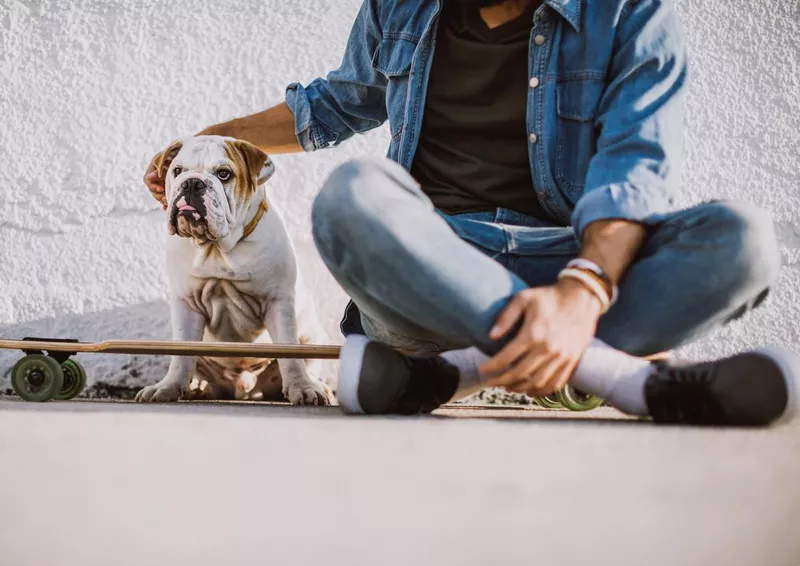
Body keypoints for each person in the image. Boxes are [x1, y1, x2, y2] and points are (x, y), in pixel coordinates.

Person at [145, 0, 797, 426]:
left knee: (742, 243)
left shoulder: (631, 14)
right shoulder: (398, 8)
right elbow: (327, 108)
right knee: (351, 197)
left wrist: (578, 294)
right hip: (432, 269)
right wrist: (200, 146)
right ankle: (621, 379)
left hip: (574, 260)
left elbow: (632, 171)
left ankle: (448, 375)